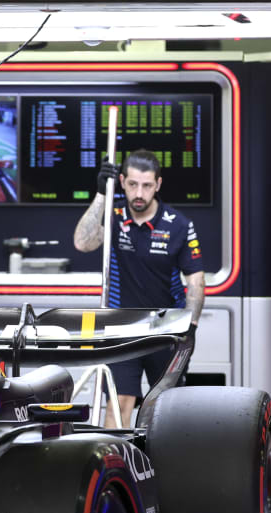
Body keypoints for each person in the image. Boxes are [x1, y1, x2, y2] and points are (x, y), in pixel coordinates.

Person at [73, 149, 205, 428]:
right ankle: (113, 467)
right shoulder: (114, 215)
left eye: (146, 185)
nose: (139, 193)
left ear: (158, 184)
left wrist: (190, 327)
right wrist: (100, 194)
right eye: (132, 184)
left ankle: (163, 469)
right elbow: (83, 243)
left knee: (166, 412)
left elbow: (195, 279)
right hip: (122, 328)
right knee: (119, 405)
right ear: (121, 181)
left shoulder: (179, 225)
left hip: (167, 330)